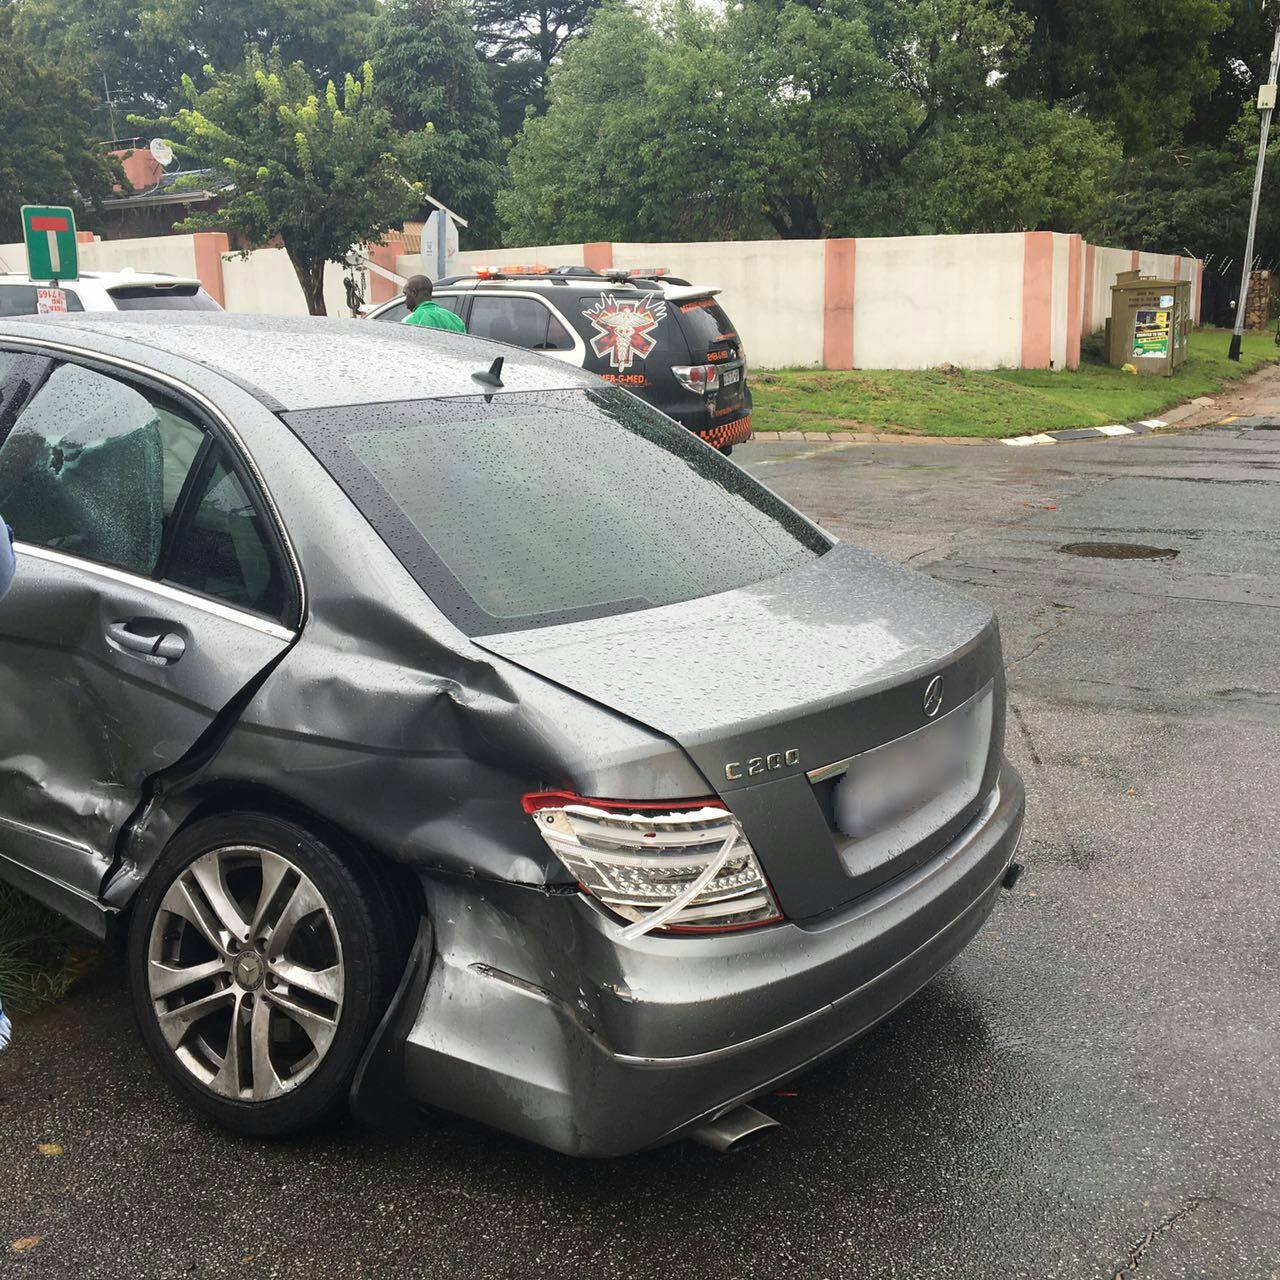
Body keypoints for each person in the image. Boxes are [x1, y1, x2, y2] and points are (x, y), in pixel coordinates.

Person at [400, 275, 467, 333]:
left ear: (414, 293)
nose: (405, 300)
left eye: (406, 294)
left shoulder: (408, 322)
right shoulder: (455, 320)